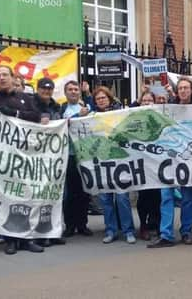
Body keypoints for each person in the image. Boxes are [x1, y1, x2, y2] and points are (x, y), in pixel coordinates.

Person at [0, 65, 44, 255]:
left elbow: (36, 117)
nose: (1, 78)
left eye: (4, 75)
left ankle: (27, 238)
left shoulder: (25, 99)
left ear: (11, 77)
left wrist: (15, 114)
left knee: (27, 198)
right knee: (7, 199)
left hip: (25, 159)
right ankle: (10, 240)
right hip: (3, 161)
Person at [148, 77, 192, 248]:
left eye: (186, 88)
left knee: (187, 197)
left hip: (188, 159)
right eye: (181, 88)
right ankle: (166, 234)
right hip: (168, 159)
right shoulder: (170, 107)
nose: (183, 90)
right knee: (166, 196)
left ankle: (186, 232)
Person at [92, 86, 136, 245]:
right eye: (98, 99)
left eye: (103, 98)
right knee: (105, 199)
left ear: (109, 98)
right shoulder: (92, 116)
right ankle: (110, 230)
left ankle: (128, 230)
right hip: (103, 164)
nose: (101, 101)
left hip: (119, 163)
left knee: (122, 197)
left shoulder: (120, 114)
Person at [31, 78, 67, 247]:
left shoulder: (56, 106)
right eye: (43, 89)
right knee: (38, 197)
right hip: (36, 158)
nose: (46, 92)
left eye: (49, 89)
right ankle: (39, 234)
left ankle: (53, 231)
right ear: (38, 89)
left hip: (53, 158)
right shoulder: (31, 104)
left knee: (54, 196)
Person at [61, 80, 94, 238]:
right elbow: (59, 124)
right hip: (68, 156)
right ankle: (69, 225)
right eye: (70, 89)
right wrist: (76, 116)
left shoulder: (86, 107)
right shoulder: (61, 108)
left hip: (85, 155)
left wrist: (88, 94)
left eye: (76, 89)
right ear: (65, 93)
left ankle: (82, 224)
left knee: (84, 192)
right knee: (69, 193)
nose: (73, 92)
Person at [134, 90, 161, 241]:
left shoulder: (158, 118)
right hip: (140, 164)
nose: (147, 103)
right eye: (144, 100)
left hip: (156, 164)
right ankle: (143, 226)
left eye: (150, 100)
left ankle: (155, 224)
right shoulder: (135, 118)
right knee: (143, 197)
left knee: (156, 197)